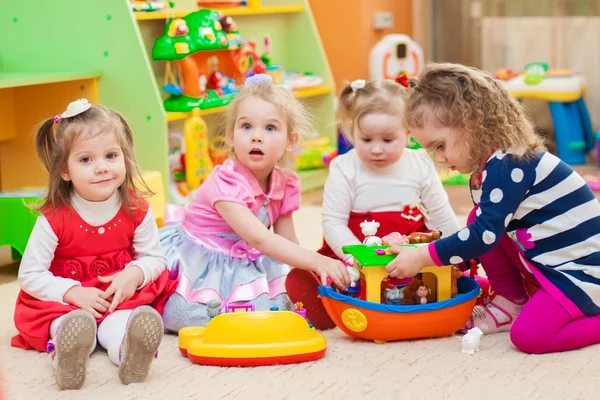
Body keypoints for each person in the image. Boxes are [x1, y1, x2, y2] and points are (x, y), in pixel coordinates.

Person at [386, 63, 600, 354]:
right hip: (547, 262)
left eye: (440, 146)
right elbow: (486, 228)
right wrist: (451, 260)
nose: (439, 159)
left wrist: (425, 256)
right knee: (479, 218)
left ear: (472, 124)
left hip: (579, 272)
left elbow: (484, 236)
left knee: (530, 336)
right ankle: (511, 302)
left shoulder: (508, 164)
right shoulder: (490, 163)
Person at [160, 74, 350, 332]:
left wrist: (314, 275)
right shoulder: (226, 183)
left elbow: (287, 242)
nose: (256, 137)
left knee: (283, 302)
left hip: (243, 258)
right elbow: (261, 239)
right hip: (201, 257)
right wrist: (318, 261)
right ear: (231, 135)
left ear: (290, 141)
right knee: (184, 313)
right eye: (246, 127)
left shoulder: (285, 182)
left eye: (270, 128)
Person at [11, 99, 177, 389]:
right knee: (65, 323)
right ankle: (66, 355)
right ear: (65, 170)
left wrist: (134, 274)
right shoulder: (55, 218)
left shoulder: (136, 208)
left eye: (111, 156)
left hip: (116, 296)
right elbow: (30, 275)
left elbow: (154, 257)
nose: (101, 168)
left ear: (124, 158)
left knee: (121, 322)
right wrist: (72, 292)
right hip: (66, 301)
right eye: (86, 160)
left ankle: (128, 351)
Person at [286, 78, 459, 329]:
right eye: (366, 140)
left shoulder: (419, 163)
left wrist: (455, 251)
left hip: (409, 250)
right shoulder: (344, 168)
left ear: (408, 132)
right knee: (336, 277)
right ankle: (327, 299)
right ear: (353, 132)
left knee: (439, 277)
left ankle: (415, 298)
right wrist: (357, 259)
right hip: (355, 252)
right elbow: (333, 222)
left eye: (388, 140)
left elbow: (440, 214)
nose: (376, 149)